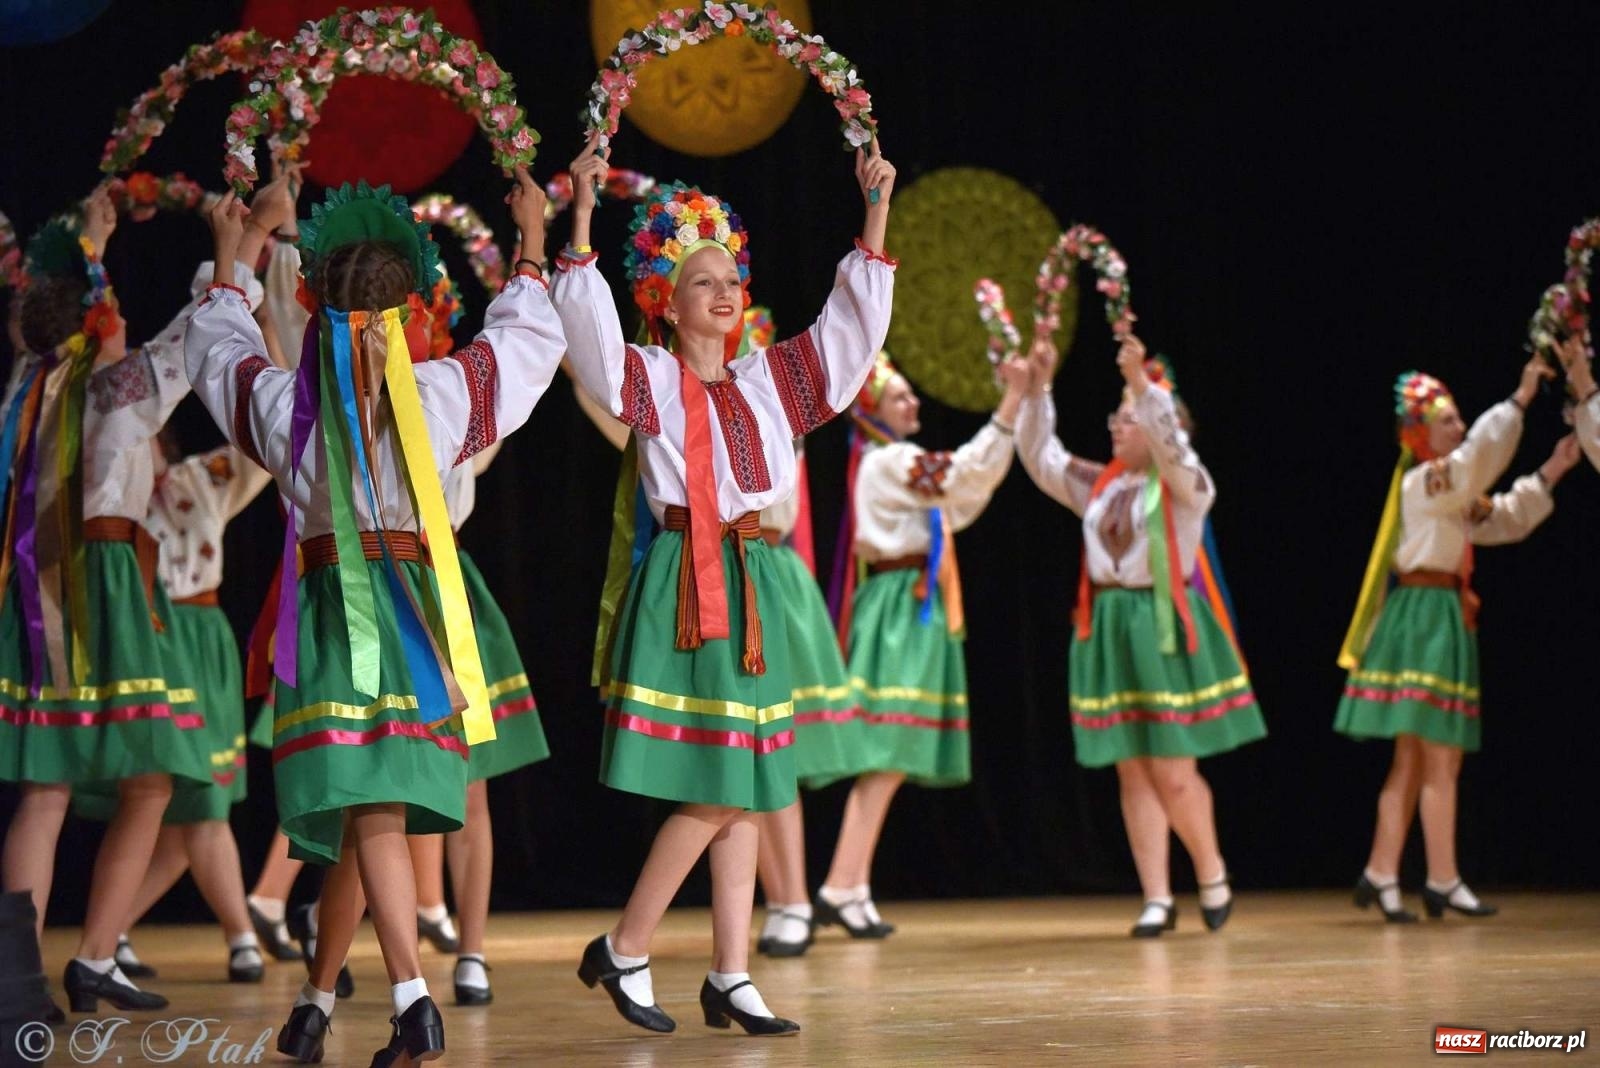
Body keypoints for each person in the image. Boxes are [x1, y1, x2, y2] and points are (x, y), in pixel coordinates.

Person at [185, 166, 563, 1064]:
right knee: (371, 810)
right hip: (418, 611)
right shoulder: (437, 396)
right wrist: (536, 238)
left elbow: (216, 342)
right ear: (408, 310)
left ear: (312, 303)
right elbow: (524, 340)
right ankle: (318, 1005)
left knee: (369, 808)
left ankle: (409, 997)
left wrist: (235, 248)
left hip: (332, 616)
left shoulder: (287, 407)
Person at [554, 133, 895, 1035]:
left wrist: (876, 212)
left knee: (746, 782)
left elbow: (848, 336)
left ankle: (730, 973)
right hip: (688, 579)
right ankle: (626, 946)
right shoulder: (653, 378)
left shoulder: (769, 382)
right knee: (715, 783)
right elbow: (585, 338)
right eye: (703, 281)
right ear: (667, 304)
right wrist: (582, 219)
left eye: (731, 278)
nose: (726, 291)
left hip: (750, 579)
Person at [0, 189, 255, 1013]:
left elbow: (55, 323)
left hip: (38, 592)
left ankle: (26, 973)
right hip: (102, 586)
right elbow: (189, 342)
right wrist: (236, 247)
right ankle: (96, 954)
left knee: (47, 791)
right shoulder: (112, 393)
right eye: (111, 313)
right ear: (101, 326)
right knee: (153, 783)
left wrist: (93, 245)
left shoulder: (21, 393)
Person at [1008, 335, 1266, 936]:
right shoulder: (1103, 485)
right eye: (1117, 416)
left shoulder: (1185, 486)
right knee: (1131, 768)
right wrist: (1038, 389)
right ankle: (1156, 895)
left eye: (1128, 418)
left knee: (1173, 770)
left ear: (1158, 424)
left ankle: (1210, 871)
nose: (1116, 426)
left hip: (1161, 625)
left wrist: (1143, 388)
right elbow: (1041, 457)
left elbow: (1177, 452)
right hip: (1109, 626)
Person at [1335, 361, 1578, 921]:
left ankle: (1380, 871)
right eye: (1448, 420)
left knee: (1415, 761)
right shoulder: (1426, 482)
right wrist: (1519, 398)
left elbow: (1500, 518)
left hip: (1437, 614)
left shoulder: (1449, 488)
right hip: (1423, 617)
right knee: (1438, 758)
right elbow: (1474, 467)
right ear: (1420, 431)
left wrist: (1553, 470)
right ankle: (1441, 878)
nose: (1459, 426)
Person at [805, 348, 1017, 939]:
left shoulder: (888, 463)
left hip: (908, 600)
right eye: (901, 396)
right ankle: (838, 885)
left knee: (889, 756)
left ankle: (850, 886)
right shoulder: (892, 461)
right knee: (885, 751)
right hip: (901, 604)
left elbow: (962, 497)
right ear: (875, 409)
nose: (914, 402)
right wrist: (1011, 408)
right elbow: (963, 475)